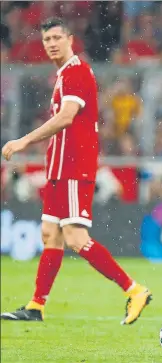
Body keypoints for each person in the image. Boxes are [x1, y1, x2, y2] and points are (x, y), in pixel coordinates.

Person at [1, 18, 152, 324]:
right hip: (57, 168)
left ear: (70, 38)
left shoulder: (76, 71)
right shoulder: (62, 75)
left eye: (57, 37)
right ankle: (36, 306)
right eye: (47, 39)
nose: (52, 43)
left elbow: (67, 117)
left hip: (73, 166)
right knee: (50, 234)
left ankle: (134, 290)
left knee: (74, 236)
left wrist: (24, 141)